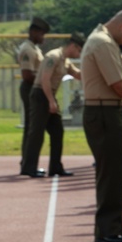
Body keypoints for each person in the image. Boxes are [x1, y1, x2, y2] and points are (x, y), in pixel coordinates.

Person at [79, 11, 122, 242]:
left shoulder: (100, 39)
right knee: (110, 173)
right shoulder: (102, 43)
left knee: (114, 172)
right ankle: (108, 230)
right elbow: (119, 84)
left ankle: (112, 227)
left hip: (106, 111)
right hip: (104, 113)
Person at [24, 33, 84, 178]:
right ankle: (28, 167)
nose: (79, 54)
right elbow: (45, 80)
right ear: (72, 46)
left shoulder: (65, 61)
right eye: (79, 51)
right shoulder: (54, 56)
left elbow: (77, 74)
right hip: (41, 95)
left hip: (49, 96)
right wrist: (51, 101)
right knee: (36, 133)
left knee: (57, 132)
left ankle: (55, 167)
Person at [17, 16, 50, 175]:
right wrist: (44, 80)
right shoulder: (27, 49)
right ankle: (27, 163)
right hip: (30, 88)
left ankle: (26, 161)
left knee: (32, 127)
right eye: (40, 34)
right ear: (32, 32)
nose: (42, 37)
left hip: (35, 88)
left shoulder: (35, 48)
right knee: (32, 127)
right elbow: (27, 75)